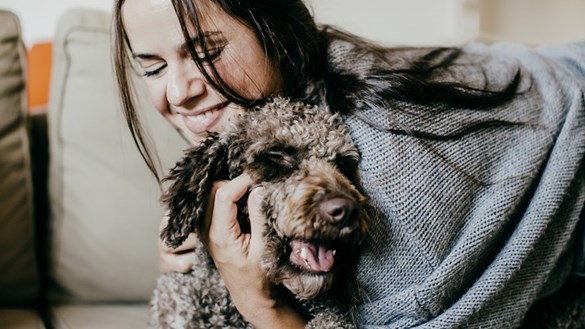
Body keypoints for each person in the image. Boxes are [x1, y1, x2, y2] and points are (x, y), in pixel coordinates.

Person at [112, 0, 585, 327]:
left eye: (207, 53)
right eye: (153, 68)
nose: (177, 92)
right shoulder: (293, 105)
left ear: (279, 34)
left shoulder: (392, 194)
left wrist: (258, 300)